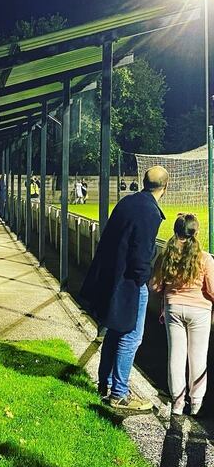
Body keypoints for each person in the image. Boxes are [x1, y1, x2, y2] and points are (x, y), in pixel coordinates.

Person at [79, 165, 169, 412]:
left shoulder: (127, 203)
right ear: (165, 187)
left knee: (115, 330)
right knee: (131, 336)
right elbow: (141, 253)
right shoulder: (150, 212)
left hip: (113, 278)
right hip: (130, 283)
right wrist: (144, 279)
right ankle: (119, 393)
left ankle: (105, 384)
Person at [150, 213, 214, 416]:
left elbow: (154, 285)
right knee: (198, 357)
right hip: (200, 311)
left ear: (175, 231)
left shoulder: (166, 256)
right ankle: (196, 403)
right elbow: (212, 289)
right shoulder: (205, 258)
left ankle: (177, 403)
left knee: (176, 356)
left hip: (173, 309)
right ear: (196, 232)